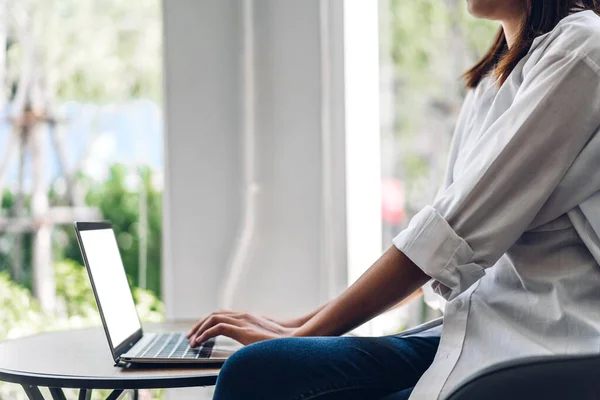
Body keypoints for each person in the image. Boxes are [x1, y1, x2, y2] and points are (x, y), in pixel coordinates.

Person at [186, 0, 600, 398]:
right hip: (476, 327)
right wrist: (297, 325)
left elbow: (448, 236)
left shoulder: (583, 50)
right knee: (265, 368)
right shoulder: (495, 78)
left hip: (546, 342)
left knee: (259, 372)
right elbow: (438, 256)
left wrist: (302, 335)